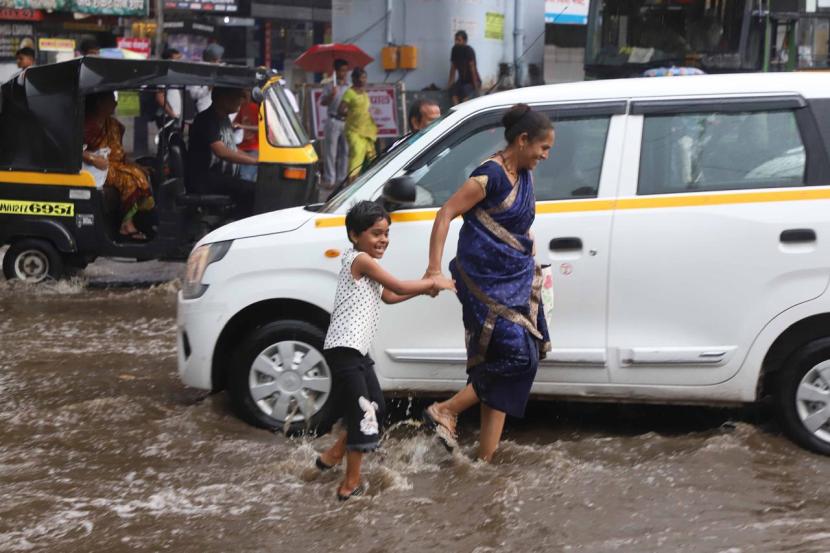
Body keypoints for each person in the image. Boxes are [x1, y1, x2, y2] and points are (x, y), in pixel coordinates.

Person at [421, 104, 554, 462]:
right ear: (523, 140)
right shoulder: (488, 176)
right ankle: (446, 410)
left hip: (517, 278)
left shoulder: (524, 174)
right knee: (518, 358)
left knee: (498, 361)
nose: (545, 156)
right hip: (483, 281)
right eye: (543, 148)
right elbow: (446, 213)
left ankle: (484, 462)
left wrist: (533, 265)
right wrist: (434, 269)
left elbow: (520, 225)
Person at [314, 200, 455, 500]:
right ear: (355, 235)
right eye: (376, 233)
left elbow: (390, 295)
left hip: (356, 351)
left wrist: (426, 289)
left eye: (387, 233)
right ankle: (348, 487)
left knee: (375, 409)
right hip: (345, 349)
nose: (384, 240)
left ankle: (331, 456)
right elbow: (401, 287)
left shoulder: (367, 265)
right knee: (364, 414)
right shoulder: (361, 260)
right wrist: (433, 281)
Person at [83, 91, 156, 240]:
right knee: (130, 180)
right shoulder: (87, 124)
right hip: (95, 168)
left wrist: (136, 165)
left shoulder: (113, 125)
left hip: (115, 164)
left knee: (142, 174)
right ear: (99, 103)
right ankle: (126, 224)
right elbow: (73, 149)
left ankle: (142, 221)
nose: (115, 104)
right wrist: (93, 159)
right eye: (111, 100)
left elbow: (119, 154)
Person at [187, 86, 257, 215]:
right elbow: (221, 152)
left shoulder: (224, 119)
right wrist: (255, 162)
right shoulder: (207, 120)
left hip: (219, 177)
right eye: (238, 95)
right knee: (253, 192)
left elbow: (232, 149)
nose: (241, 100)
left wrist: (259, 160)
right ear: (223, 98)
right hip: (205, 179)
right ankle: (234, 228)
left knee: (254, 187)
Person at [319, 58, 350, 201]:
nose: (344, 73)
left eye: (345, 70)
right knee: (331, 151)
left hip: (347, 121)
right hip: (333, 119)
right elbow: (323, 102)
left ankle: (342, 179)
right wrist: (332, 94)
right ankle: (330, 179)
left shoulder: (350, 86)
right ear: (336, 71)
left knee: (345, 151)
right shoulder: (330, 85)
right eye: (341, 70)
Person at [339, 67, 377, 183]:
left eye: (365, 78)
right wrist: (352, 115)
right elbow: (340, 110)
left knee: (371, 157)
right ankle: (351, 184)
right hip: (353, 131)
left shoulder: (364, 93)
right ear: (354, 79)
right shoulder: (349, 93)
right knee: (356, 155)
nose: (364, 80)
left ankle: (368, 183)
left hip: (366, 131)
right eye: (361, 77)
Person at [233, 88, 259, 182]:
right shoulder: (242, 108)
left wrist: (243, 126)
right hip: (241, 147)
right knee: (239, 177)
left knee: (245, 177)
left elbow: (262, 128)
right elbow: (235, 122)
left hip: (254, 148)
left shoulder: (257, 109)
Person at [448, 30, 480, 106]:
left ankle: (463, 112)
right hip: (462, 80)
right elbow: (453, 68)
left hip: (472, 81)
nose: (456, 42)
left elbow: (473, 70)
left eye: (459, 40)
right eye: (455, 40)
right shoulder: (454, 49)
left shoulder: (469, 50)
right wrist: (449, 84)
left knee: (464, 91)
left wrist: (476, 87)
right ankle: (456, 113)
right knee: (453, 90)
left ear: (465, 41)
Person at [189, 43, 224, 113]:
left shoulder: (221, 71)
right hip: (204, 109)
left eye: (218, 60)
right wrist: (208, 88)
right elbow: (193, 94)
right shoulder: (199, 73)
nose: (217, 62)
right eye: (215, 60)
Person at [155, 48, 184, 126]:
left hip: (174, 117)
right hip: (167, 117)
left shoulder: (173, 74)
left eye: (179, 59)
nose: (179, 61)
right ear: (168, 60)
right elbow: (159, 96)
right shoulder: (164, 74)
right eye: (176, 59)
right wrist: (172, 115)